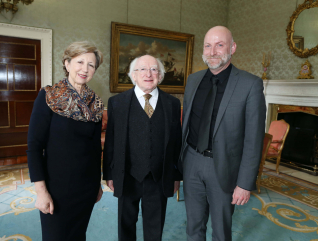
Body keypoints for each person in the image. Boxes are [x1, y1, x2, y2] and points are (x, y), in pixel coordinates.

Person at [179, 26, 266, 241]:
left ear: (232, 48)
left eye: (220, 45)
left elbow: (253, 140)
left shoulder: (250, 84)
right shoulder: (193, 80)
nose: (212, 51)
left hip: (224, 168)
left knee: (221, 230)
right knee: (193, 226)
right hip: (192, 161)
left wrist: (245, 183)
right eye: (208, 46)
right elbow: (187, 124)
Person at [27, 41, 104, 241]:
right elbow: (34, 147)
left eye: (91, 65)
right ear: (67, 63)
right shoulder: (48, 96)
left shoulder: (95, 104)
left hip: (86, 187)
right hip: (56, 187)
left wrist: (97, 184)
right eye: (80, 62)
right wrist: (41, 192)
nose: (85, 69)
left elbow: (96, 149)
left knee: (78, 236)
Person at [103, 55, 182, 241]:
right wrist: (109, 173)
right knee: (126, 224)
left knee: (155, 227)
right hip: (127, 175)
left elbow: (176, 143)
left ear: (160, 76)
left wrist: (176, 176)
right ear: (133, 75)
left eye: (154, 69)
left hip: (159, 177)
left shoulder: (172, 104)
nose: (148, 74)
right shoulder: (117, 103)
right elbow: (111, 141)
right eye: (142, 69)